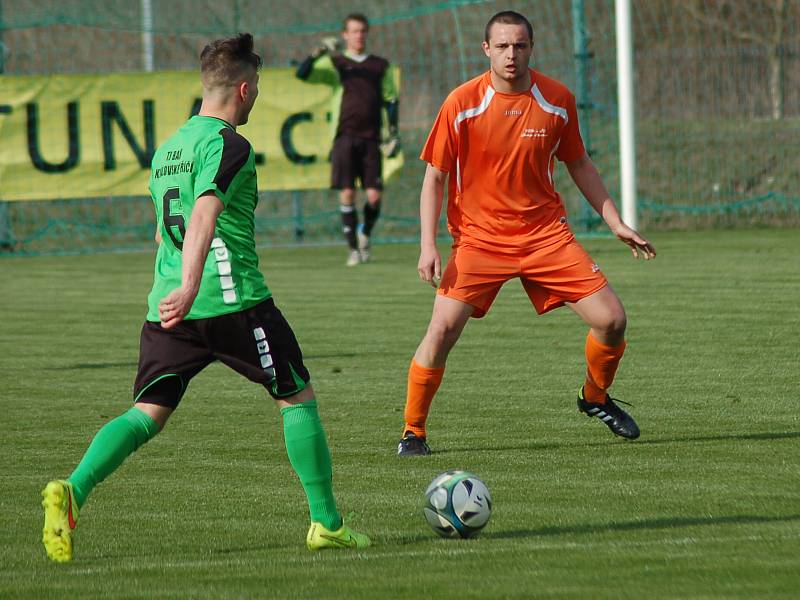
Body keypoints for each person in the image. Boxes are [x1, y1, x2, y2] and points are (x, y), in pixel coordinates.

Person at [40, 33, 370, 562]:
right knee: (296, 396)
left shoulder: (168, 148)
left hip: (168, 308)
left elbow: (160, 233)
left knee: (147, 413)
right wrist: (194, 284)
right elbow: (203, 214)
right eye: (257, 86)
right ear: (243, 88)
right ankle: (327, 523)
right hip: (232, 300)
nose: (256, 95)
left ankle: (73, 491)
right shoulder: (230, 143)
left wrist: (178, 288)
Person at [397, 11, 657, 456]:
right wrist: (428, 245)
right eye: (502, 46)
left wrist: (614, 221)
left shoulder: (556, 99)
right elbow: (434, 178)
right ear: (486, 50)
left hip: (545, 237)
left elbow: (579, 163)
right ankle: (413, 431)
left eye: (519, 45)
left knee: (612, 321)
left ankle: (594, 396)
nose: (511, 54)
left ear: (530, 48)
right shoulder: (461, 103)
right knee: (440, 331)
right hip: (479, 240)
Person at [295, 13, 400, 266]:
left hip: (372, 138)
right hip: (344, 137)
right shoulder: (337, 64)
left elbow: (391, 100)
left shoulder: (379, 65)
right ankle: (353, 249)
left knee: (374, 195)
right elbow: (303, 73)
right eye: (354, 31)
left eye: (363, 30)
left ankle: (364, 233)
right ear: (345, 35)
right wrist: (317, 52)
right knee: (347, 193)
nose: (359, 35)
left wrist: (394, 132)